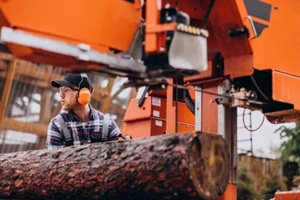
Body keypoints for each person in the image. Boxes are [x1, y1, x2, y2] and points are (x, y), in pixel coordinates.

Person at [46, 72, 121, 149]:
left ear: (83, 94)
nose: (61, 95)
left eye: (67, 90)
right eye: (61, 89)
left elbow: (118, 155)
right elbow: (55, 159)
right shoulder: (57, 125)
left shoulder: (108, 124)